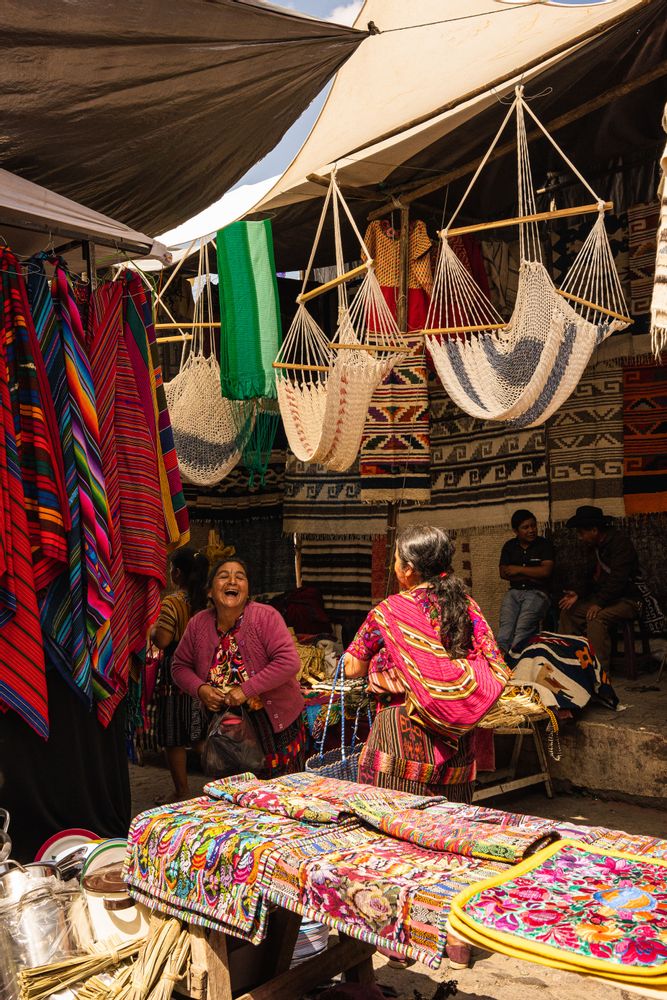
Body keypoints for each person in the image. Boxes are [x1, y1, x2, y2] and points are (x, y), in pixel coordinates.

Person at [344, 525, 509, 804]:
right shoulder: (467, 606)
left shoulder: (392, 611)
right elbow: (494, 661)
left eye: (395, 559)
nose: (393, 565)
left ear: (408, 569)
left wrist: (387, 668)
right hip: (458, 738)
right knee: (449, 829)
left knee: (391, 825)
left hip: (403, 733)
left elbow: (352, 667)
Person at [172, 558, 306, 777]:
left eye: (240, 577)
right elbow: (179, 666)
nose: (232, 581)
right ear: (209, 591)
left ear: (247, 590)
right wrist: (201, 689)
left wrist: (246, 690)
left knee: (274, 790)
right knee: (230, 789)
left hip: (271, 724)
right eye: (223, 576)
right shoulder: (198, 623)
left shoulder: (265, 617)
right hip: (224, 724)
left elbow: (288, 662)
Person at [151, 547, 209, 801]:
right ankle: (223, 785)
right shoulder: (209, 602)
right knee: (200, 735)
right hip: (203, 673)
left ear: (176, 573)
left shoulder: (172, 603)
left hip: (177, 675)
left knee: (174, 736)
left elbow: (163, 640)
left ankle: (182, 791)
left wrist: (153, 631)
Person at [559, 505, 640, 673]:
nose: (580, 537)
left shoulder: (620, 544)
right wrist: (578, 594)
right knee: (569, 612)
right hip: (606, 599)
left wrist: (598, 602)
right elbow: (589, 577)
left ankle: (598, 673)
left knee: (597, 617)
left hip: (628, 600)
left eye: (582, 533)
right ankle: (570, 666)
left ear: (594, 530)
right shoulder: (594, 548)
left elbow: (618, 580)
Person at [497, 509, 554, 654]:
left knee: (522, 629)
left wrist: (518, 569)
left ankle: (517, 662)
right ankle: (500, 663)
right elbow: (504, 573)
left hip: (538, 592)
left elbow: (545, 572)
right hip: (514, 592)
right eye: (526, 527)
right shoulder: (510, 546)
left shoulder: (544, 544)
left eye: (533, 526)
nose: (531, 530)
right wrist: (532, 573)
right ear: (516, 531)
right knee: (505, 630)